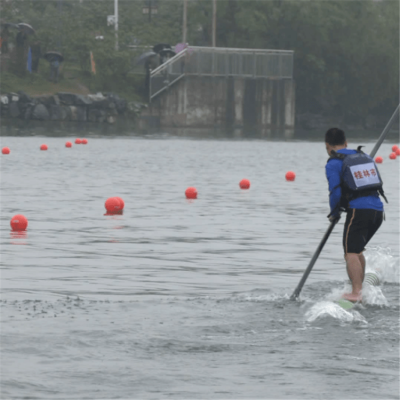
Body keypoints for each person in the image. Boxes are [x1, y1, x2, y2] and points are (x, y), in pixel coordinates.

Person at [324, 128, 386, 302]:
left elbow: (335, 192)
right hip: (378, 211)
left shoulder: (333, 162)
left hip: (359, 211)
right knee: (357, 250)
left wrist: (334, 214)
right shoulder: (365, 157)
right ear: (346, 142)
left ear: (328, 146)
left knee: (350, 252)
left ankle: (356, 292)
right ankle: (361, 288)